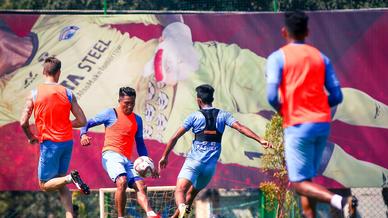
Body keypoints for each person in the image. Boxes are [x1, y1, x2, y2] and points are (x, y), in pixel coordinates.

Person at [1, 14, 387, 188]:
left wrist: (175, 31)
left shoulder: (54, 21)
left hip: (199, 64)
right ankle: (382, 185)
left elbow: (158, 5)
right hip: (181, 121)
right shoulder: (6, 96)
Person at [265, 11, 359, 217]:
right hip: (321, 124)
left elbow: (272, 96)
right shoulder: (321, 57)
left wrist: (286, 111)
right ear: (307, 31)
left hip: (298, 125)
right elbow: (336, 95)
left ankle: (340, 201)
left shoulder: (277, 58)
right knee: (306, 180)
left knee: (298, 183)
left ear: (283, 32)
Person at [158, 84, 270, 218]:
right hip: (209, 167)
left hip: (194, 162)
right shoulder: (223, 115)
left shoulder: (194, 117)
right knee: (191, 194)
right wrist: (260, 139)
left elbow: (174, 137)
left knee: (180, 191)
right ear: (212, 98)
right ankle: (177, 216)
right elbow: (240, 127)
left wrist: (164, 156)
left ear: (199, 101)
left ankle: (182, 208)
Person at [19, 57, 90, 218]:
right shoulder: (68, 93)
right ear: (59, 73)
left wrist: (30, 137)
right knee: (59, 180)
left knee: (45, 185)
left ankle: (71, 178)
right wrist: (64, 124)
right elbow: (82, 120)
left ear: (44, 72)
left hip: (50, 145)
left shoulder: (35, 94)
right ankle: (70, 214)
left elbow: (23, 122)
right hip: (67, 143)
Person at [80, 87, 160, 218]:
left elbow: (140, 143)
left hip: (127, 160)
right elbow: (86, 123)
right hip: (110, 155)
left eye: (132, 103)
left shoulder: (138, 120)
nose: (130, 106)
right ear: (119, 100)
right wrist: (83, 135)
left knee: (141, 186)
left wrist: (149, 163)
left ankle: (151, 214)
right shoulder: (110, 113)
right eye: (126, 103)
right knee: (122, 181)